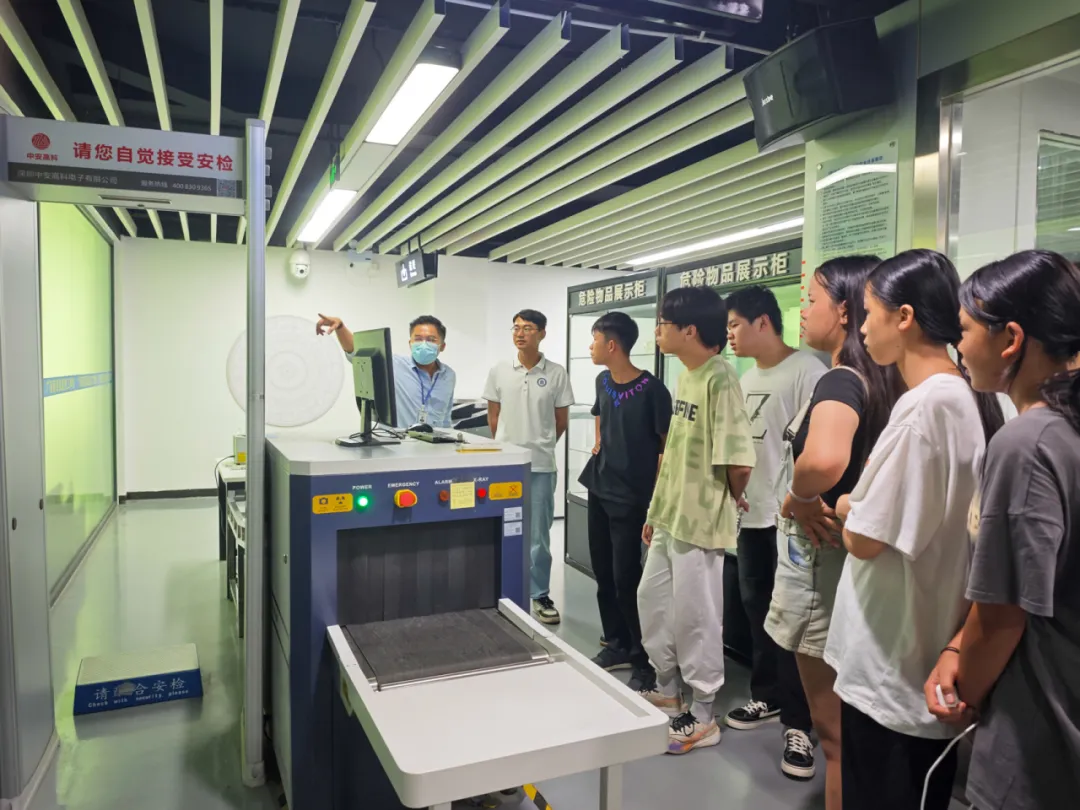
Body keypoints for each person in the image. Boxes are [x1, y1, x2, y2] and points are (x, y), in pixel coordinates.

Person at [826, 249, 1003, 810]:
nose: (862, 327)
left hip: (892, 671)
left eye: (869, 311)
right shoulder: (967, 396)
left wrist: (848, 504)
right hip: (919, 654)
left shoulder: (926, 407)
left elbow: (866, 538)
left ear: (904, 317)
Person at [923, 249, 1080, 810]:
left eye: (965, 330)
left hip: (1040, 727)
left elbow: (1004, 613)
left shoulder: (1028, 444)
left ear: (1010, 338)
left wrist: (963, 687)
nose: (958, 346)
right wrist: (956, 643)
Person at [764, 258, 903, 805]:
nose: (802, 311)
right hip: (860, 569)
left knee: (835, 737)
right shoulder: (887, 381)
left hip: (819, 571)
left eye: (812, 299)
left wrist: (799, 497)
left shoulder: (841, 379)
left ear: (845, 311)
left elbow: (823, 460)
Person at [638, 286, 755, 755]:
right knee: (654, 602)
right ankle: (668, 689)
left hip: (701, 519)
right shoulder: (687, 375)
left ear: (689, 330)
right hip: (671, 515)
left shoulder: (720, 377)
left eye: (663, 323)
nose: (657, 331)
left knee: (697, 616)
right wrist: (655, 510)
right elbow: (672, 453)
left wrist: (734, 498)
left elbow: (738, 459)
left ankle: (704, 714)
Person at [721, 286, 826, 777]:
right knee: (757, 608)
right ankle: (768, 696)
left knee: (795, 620)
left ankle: (802, 723)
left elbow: (814, 449)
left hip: (791, 520)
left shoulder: (808, 371)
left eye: (735, 325)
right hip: (752, 513)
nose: (730, 335)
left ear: (763, 322)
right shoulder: (746, 378)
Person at [578, 311, 672, 689]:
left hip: (632, 496)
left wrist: (656, 500)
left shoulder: (652, 389)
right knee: (603, 572)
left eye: (595, 339)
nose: (591, 346)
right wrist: (600, 442)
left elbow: (666, 446)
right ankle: (616, 643)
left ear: (612, 345)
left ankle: (642, 659)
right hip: (600, 486)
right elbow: (600, 415)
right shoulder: (602, 380)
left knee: (627, 577)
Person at [484, 310, 575, 625]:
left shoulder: (556, 373)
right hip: (505, 466)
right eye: (516, 327)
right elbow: (493, 416)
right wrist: (505, 448)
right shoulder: (499, 370)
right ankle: (501, 588)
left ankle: (539, 594)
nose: (520, 333)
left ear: (542, 333)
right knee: (501, 528)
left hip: (541, 466)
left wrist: (541, 444)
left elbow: (560, 421)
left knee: (538, 535)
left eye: (528, 328)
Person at [316, 313, 456, 428]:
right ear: (410, 343)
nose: (424, 344)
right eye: (418, 339)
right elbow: (356, 352)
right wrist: (340, 327)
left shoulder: (449, 375)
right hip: (398, 445)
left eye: (431, 340)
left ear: (442, 346)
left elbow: (445, 420)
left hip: (434, 448)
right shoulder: (393, 365)